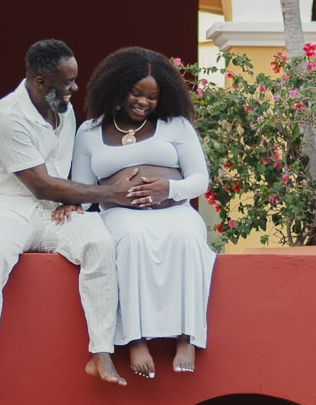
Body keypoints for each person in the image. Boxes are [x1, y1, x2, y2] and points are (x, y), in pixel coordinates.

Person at [0, 40, 158, 400]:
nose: (73, 88)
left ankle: (100, 353)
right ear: (40, 82)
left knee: (100, 243)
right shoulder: (8, 117)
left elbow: (58, 178)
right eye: (66, 82)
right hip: (9, 207)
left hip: (55, 209)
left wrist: (72, 198)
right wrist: (110, 193)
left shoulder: (63, 111)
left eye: (74, 80)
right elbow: (38, 184)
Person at [72, 48, 216, 378]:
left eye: (152, 96)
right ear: (118, 88)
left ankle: (187, 336)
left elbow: (199, 179)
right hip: (120, 214)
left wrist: (170, 190)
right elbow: (80, 187)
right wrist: (78, 203)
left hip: (174, 210)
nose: (144, 102)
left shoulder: (175, 125)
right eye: (137, 93)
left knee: (186, 237)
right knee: (131, 241)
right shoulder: (90, 131)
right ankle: (136, 340)